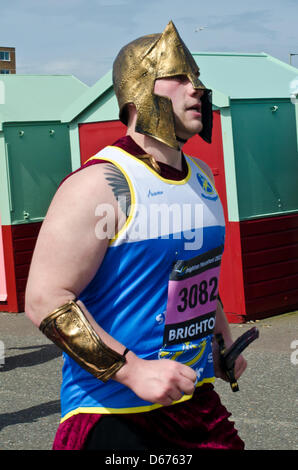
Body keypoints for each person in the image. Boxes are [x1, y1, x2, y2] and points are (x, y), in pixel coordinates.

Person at [25, 21, 247, 450]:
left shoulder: (201, 177)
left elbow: (195, 275)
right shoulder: (101, 182)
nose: (196, 87)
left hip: (193, 400)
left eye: (196, 77)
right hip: (113, 412)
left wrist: (221, 343)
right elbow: (45, 299)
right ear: (139, 89)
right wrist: (133, 371)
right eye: (179, 76)